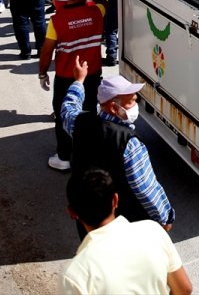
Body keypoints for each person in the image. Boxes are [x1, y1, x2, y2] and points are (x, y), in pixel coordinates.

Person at [61, 59, 176, 228]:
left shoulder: (79, 123)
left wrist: (79, 81)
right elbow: (145, 188)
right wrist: (165, 217)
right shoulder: (130, 144)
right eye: (131, 101)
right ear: (114, 108)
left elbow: (67, 108)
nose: (135, 105)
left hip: (89, 222)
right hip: (124, 223)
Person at [61, 168, 193, 295]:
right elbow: (184, 289)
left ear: (72, 212)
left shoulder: (75, 275)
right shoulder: (153, 231)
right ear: (115, 200)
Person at [39, 0, 106, 170]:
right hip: (92, 73)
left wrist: (42, 73)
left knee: (64, 115)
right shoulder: (97, 11)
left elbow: (47, 50)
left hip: (67, 76)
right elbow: (106, 3)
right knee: (89, 112)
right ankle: (88, 154)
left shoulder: (56, 19)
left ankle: (64, 157)